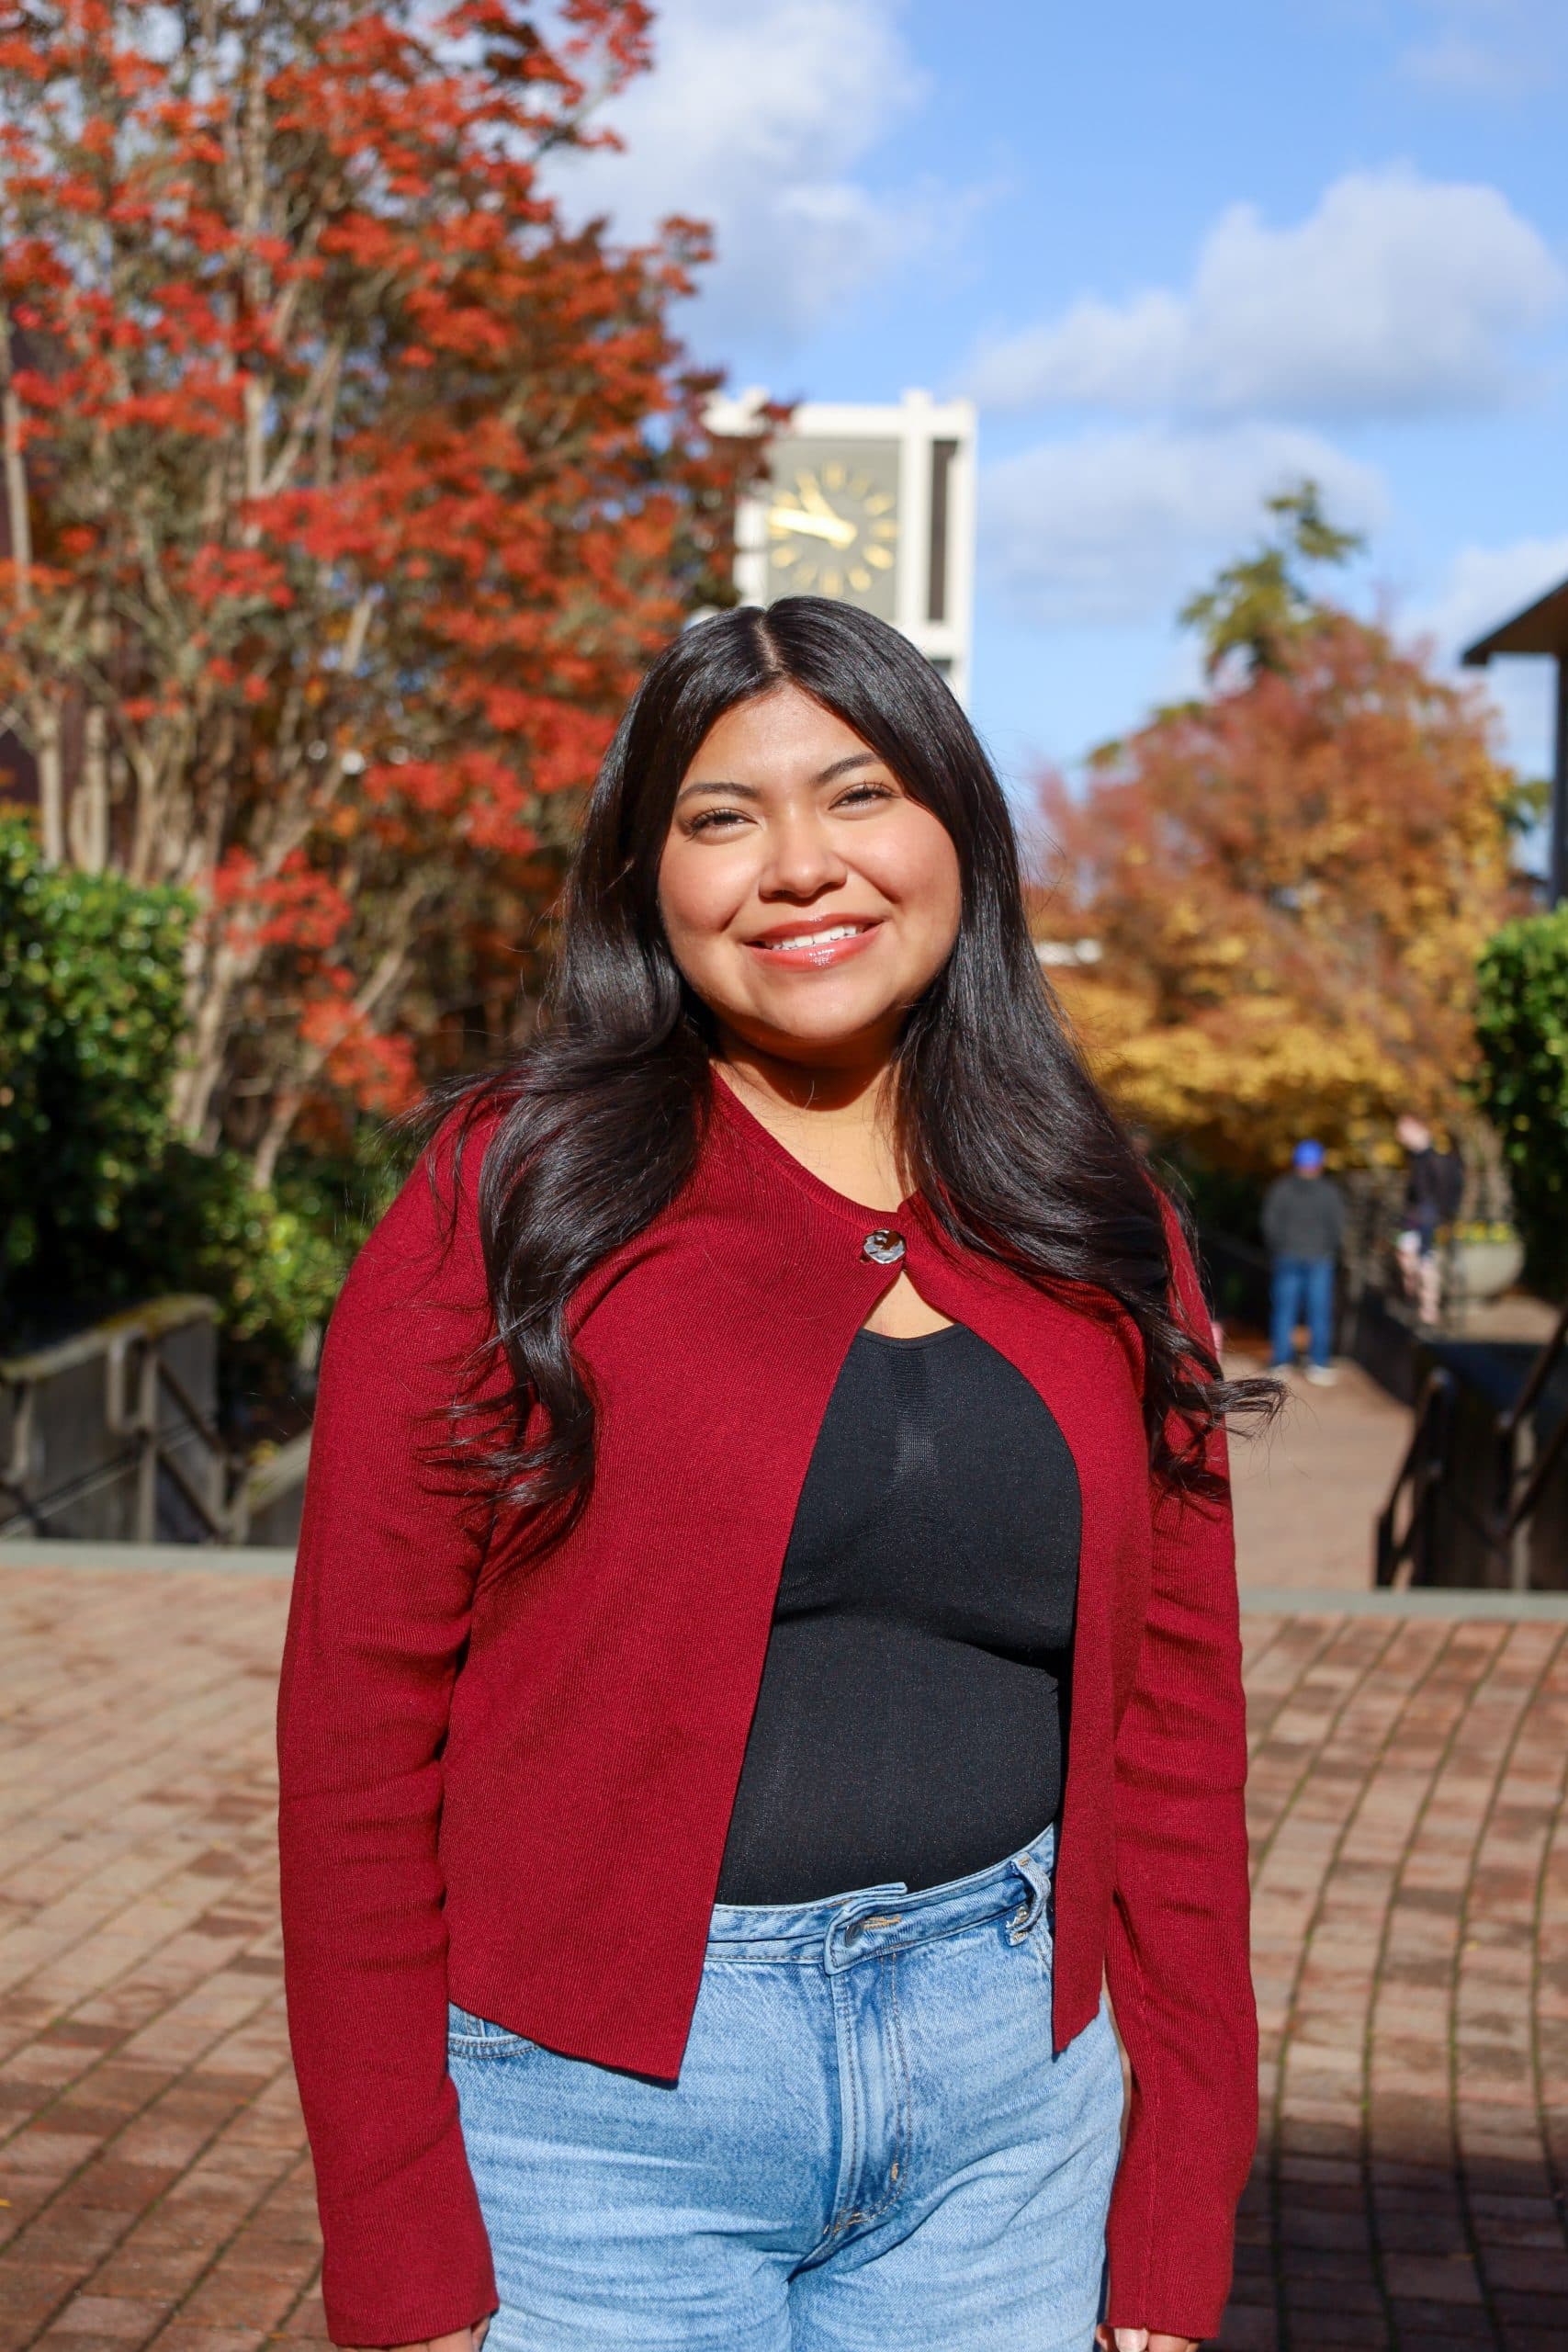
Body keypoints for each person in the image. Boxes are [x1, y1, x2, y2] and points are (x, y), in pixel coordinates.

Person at [277, 601, 1272, 2352]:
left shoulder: (1091, 1212)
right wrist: (396, 2236)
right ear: (646, 880)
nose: (798, 866)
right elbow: (357, 1738)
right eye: (721, 818)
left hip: (1008, 2116)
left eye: (856, 793)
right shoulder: (511, 1196)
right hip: (595, 2135)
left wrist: (1178, 2195)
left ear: (955, 829)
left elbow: (1176, 1733)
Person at [1262, 1139, 1346, 1384]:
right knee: (1318, 1312)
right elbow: (1338, 1227)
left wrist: (1280, 1247)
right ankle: (1318, 1363)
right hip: (1319, 1259)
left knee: (1284, 1311)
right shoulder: (1330, 1192)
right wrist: (1327, 1249)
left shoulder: (1281, 1189)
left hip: (1288, 1256)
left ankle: (1280, 1361)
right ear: (1320, 1164)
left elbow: (1269, 1223)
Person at [1394, 1114, 1464, 1329]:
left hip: (1427, 1218)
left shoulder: (1435, 1158)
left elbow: (1446, 1190)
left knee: (1426, 1262)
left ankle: (1428, 1310)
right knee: (1410, 1257)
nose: (1399, 1135)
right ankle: (1417, 1304)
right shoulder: (1415, 1158)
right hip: (1417, 1217)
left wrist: (1441, 1215)